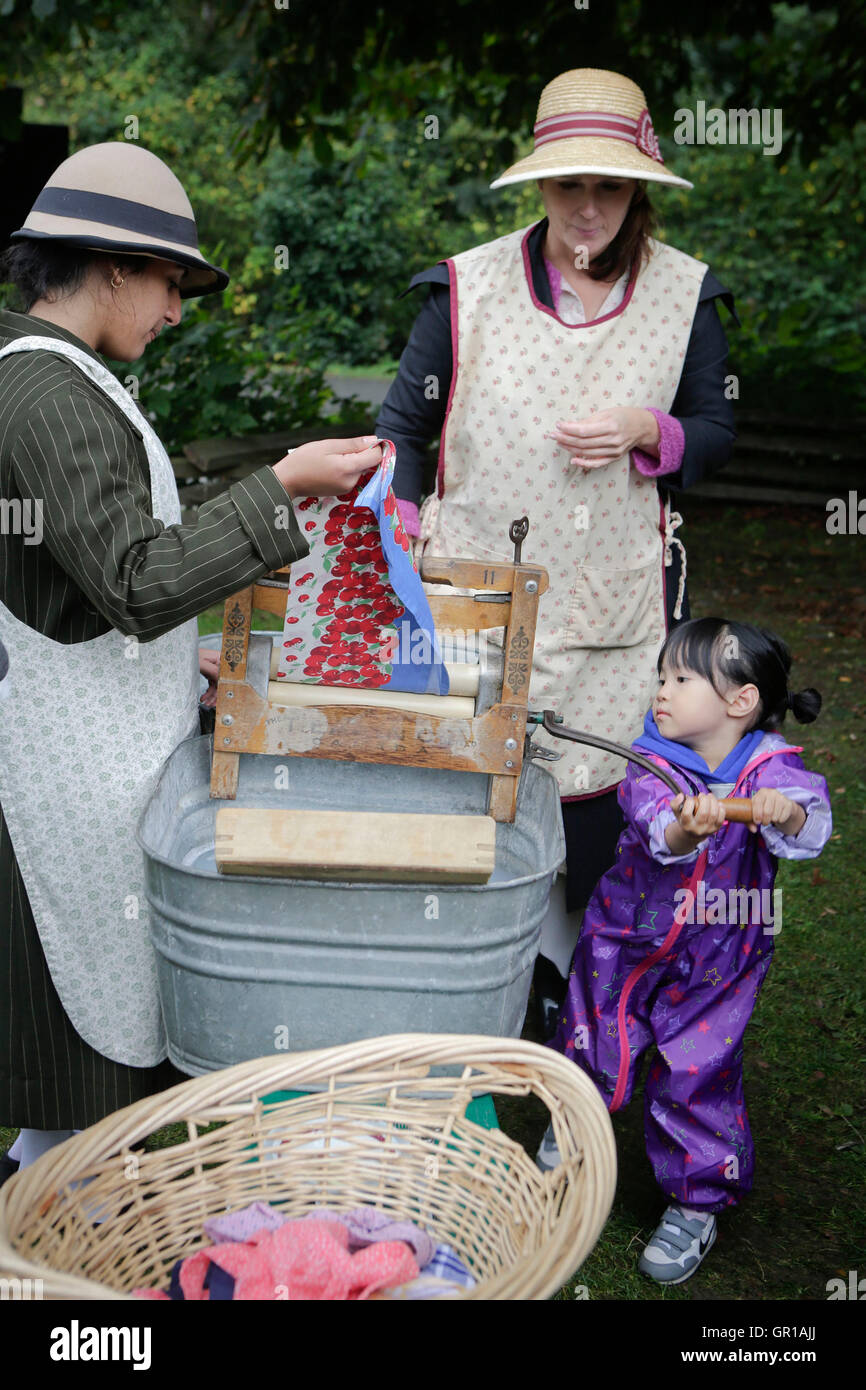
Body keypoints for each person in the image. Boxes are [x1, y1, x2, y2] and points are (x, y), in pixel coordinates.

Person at [0, 140, 382, 1179]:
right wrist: (281, 485)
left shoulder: (66, 382)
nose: (175, 310)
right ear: (115, 264)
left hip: (95, 752)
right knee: (77, 1041)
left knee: (86, 1063)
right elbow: (132, 580)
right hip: (59, 783)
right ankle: (52, 1253)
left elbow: (99, 570)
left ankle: (52, 1214)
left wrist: (181, 664)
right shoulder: (41, 400)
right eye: (171, 282)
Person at [375, 69, 739, 1031]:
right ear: (539, 183)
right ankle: (466, 1002)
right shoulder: (465, 288)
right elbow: (402, 433)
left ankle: (573, 1012)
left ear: (639, 192)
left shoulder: (685, 297)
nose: (587, 208)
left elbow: (714, 434)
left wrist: (647, 429)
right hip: (471, 603)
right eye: (568, 185)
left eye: (609, 188)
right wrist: (403, 532)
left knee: (590, 822)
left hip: (610, 618)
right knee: (474, 812)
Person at [542, 618, 831, 1283]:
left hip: (718, 965)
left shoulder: (774, 771)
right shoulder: (649, 764)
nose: (661, 691)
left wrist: (784, 813)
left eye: (680, 678)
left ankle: (697, 1200)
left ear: (740, 702)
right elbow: (654, 827)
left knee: (698, 1072)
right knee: (593, 1039)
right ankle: (572, 1131)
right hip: (623, 941)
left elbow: (810, 822)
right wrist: (684, 825)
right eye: (660, 677)